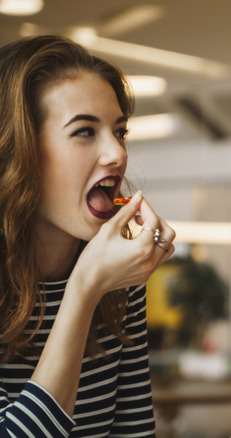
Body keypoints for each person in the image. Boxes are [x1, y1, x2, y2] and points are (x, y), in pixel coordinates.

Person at [0, 35, 176, 437]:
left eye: (120, 131)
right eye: (84, 131)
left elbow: (134, 430)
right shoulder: (100, 274)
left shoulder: (119, 275)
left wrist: (99, 281)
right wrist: (85, 288)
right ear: (16, 150)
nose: (116, 153)